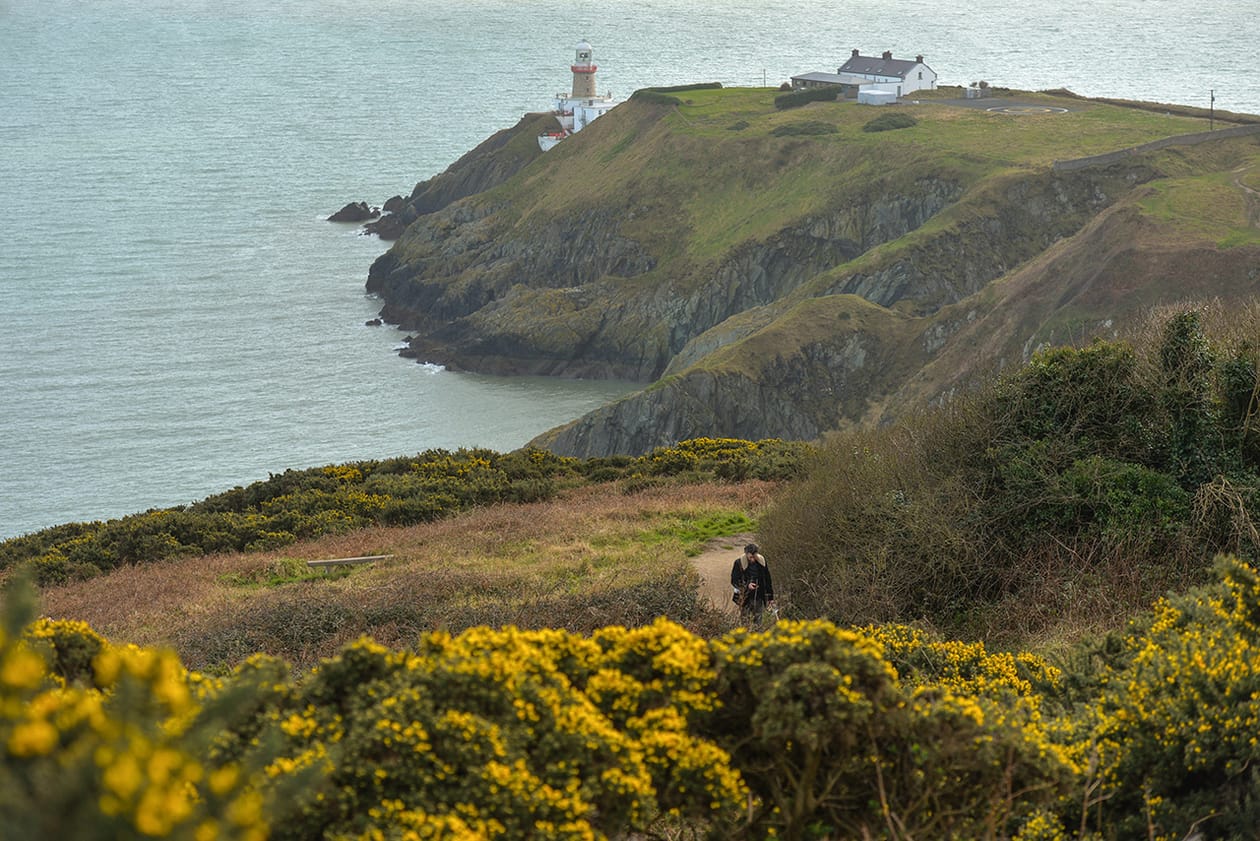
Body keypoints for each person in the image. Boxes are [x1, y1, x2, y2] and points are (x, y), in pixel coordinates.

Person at [730, 543, 774, 623]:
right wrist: (747, 586)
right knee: (745, 621)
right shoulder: (738, 563)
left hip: (759, 596)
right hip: (745, 597)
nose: (753, 559)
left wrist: (770, 597)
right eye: (750, 557)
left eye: (754, 557)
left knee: (758, 622)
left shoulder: (762, 562)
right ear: (746, 554)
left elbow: (767, 579)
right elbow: (734, 580)